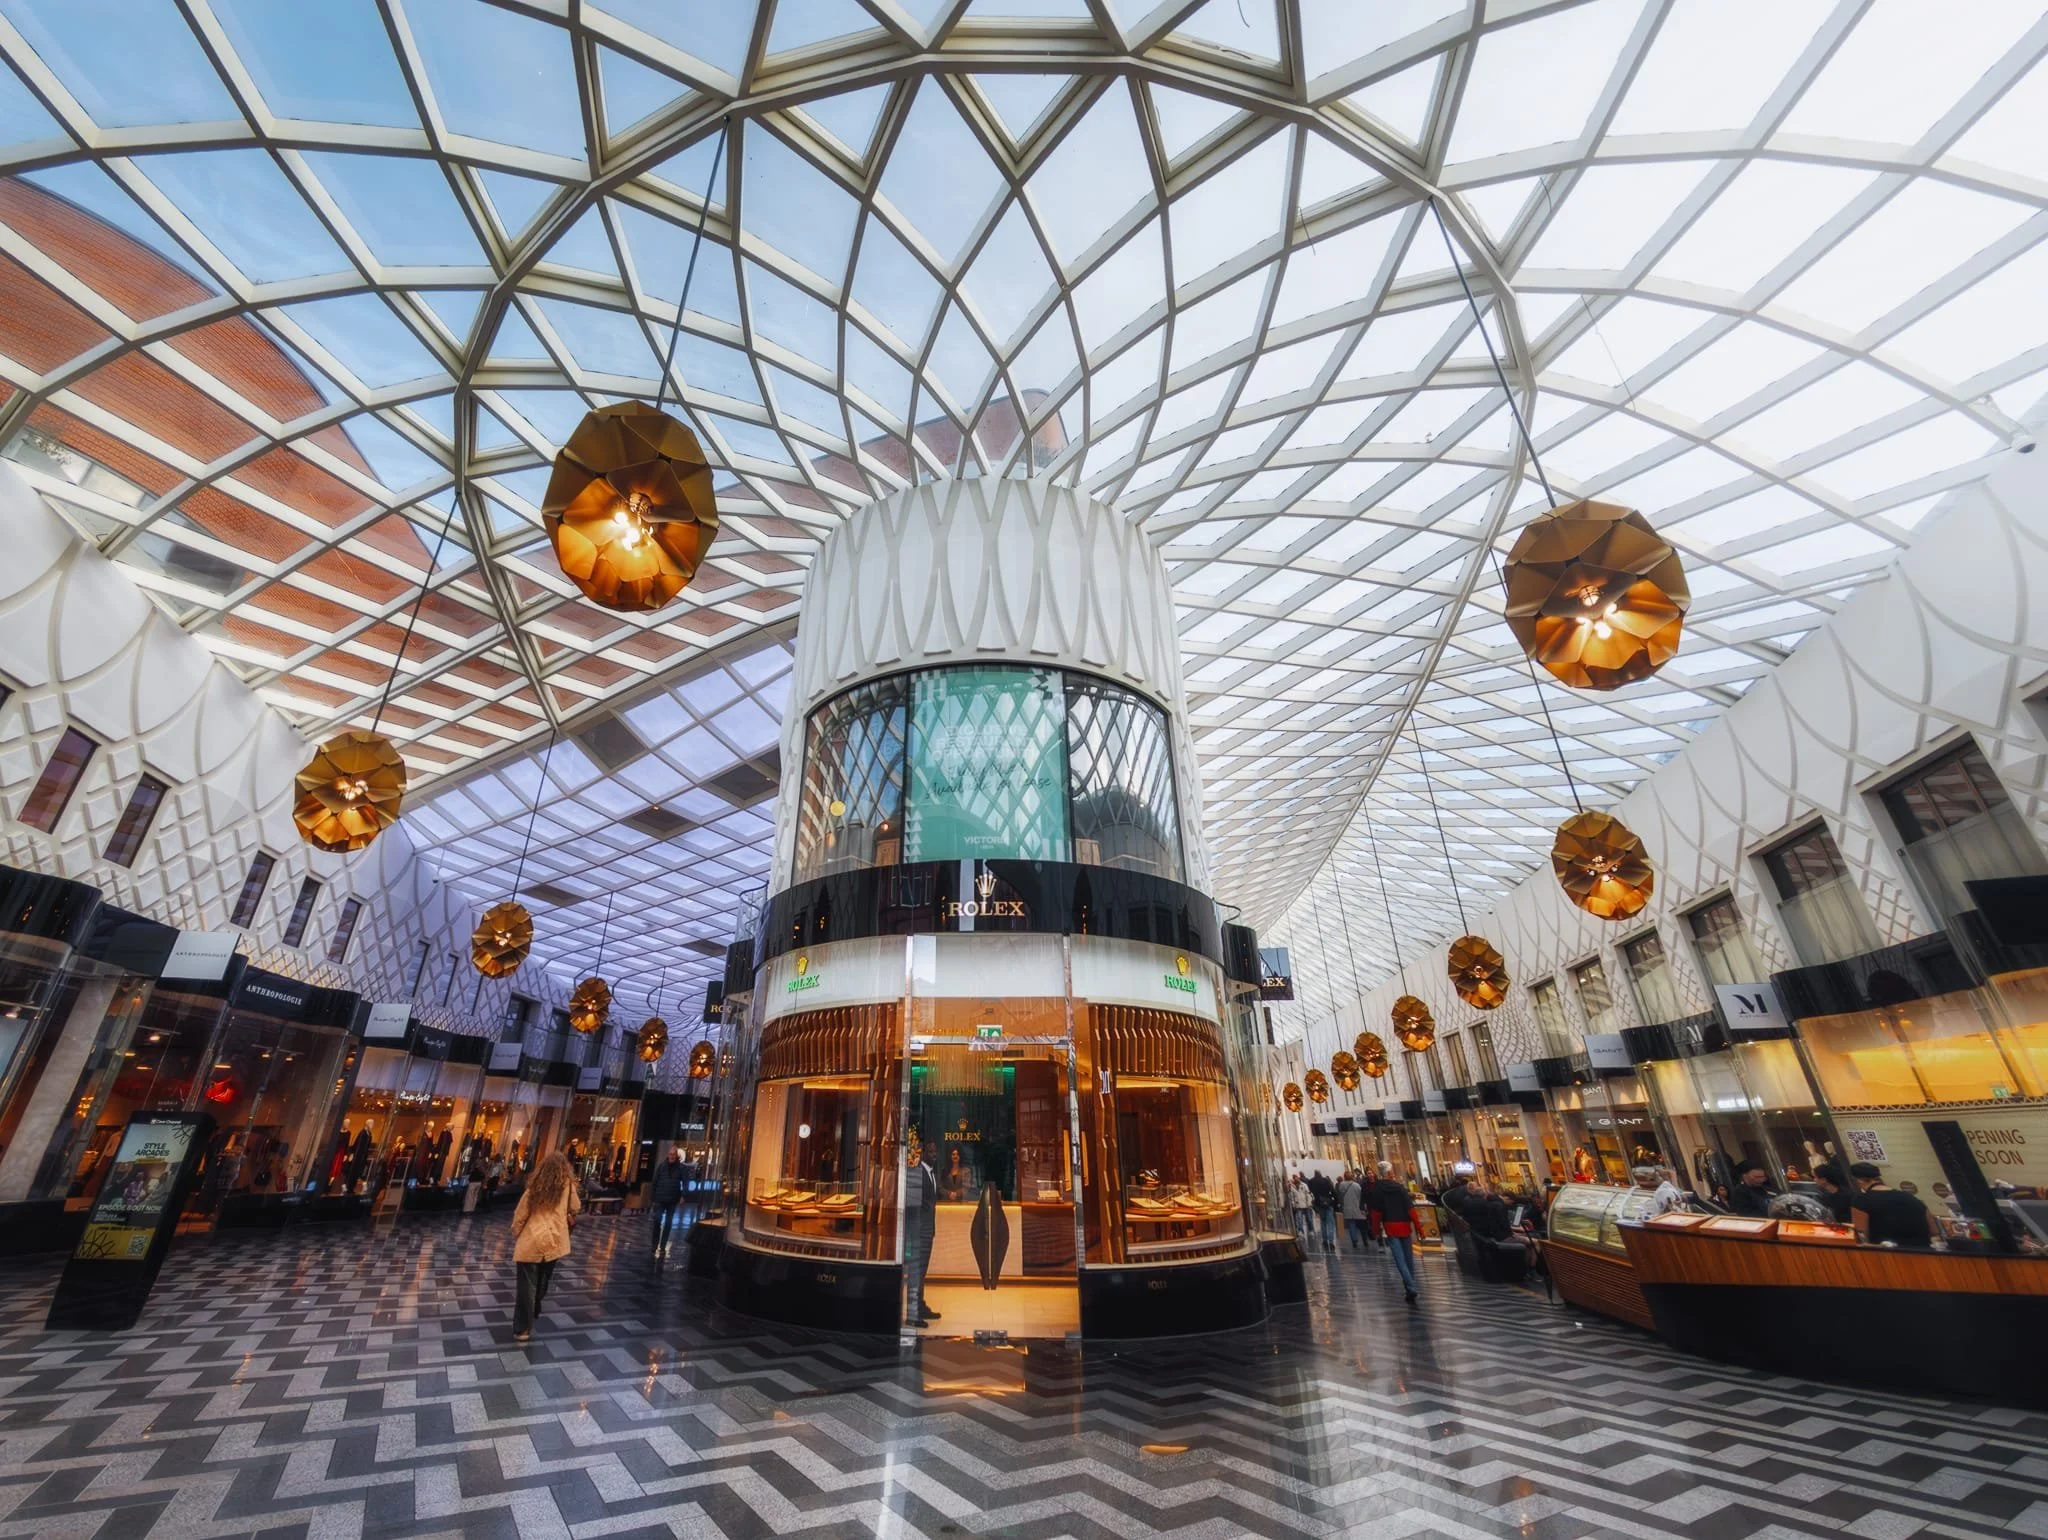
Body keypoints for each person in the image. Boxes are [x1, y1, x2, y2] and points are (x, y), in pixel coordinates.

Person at [510, 1152, 580, 1342]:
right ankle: (535, 1306)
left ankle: (522, 1329)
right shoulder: (568, 1186)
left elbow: (521, 1213)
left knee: (526, 1286)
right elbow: (576, 1206)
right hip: (553, 1240)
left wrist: (517, 1232)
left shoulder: (535, 1186)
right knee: (542, 1280)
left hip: (531, 1240)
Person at [1366, 1161, 1421, 1304]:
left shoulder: (1378, 1189)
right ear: (1390, 1173)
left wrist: (1376, 1230)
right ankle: (1410, 1286)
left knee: (1400, 1260)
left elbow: (1376, 1213)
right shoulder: (1400, 1188)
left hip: (1390, 1226)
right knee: (1408, 1259)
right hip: (1404, 1226)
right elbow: (1410, 1209)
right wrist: (1419, 1228)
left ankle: (1410, 1287)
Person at [1849, 1162, 1938, 1249]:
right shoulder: (1909, 1197)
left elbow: (1861, 1236)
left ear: (1858, 1181)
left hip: (1888, 1254)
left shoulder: (1861, 1200)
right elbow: (1934, 1231)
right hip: (1925, 1252)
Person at [904, 1141, 940, 1324]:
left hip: (928, 1231)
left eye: (935, 1152)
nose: (934, 1155)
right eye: (931, 1152)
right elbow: (912, 1206)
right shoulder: (916, 1172)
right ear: (923, 1152)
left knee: (922, 1271)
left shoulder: (931, 1173)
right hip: (918, 1232)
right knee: (916, 1272)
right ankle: (913, 1314)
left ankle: (920, 1305)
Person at [650, 1147, 686, 1259]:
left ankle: (663, 1245)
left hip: (672, 1199)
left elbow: (685, 1182)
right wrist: (653, 1198)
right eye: (670, 1154)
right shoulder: (662, 1166)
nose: (671, 1156)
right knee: (657, 1220)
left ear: (676, 1156)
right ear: (667, 1155)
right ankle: (654, 1244)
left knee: (668, 1222)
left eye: (673, 1154)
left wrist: (683, 1196)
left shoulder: (680, 1168)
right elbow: (655, 1182)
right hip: (660, 1198)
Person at [1305, 1168, 1338, 1251]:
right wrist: (1336, 1202)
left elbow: (1310, 1192)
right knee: (1330, 1223)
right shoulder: (1325, 1181)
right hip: (1328, 1203)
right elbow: (1333, 1191)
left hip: (1319, 1204)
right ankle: (1331, 1241)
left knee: (1323, 1223)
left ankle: (1325, 1240)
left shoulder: (1311, 1182)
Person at [1338, 1169, 1368, 1250]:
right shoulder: (1356, 1185)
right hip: (1357, 1206)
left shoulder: (1341, 1185)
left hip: (1347, 1207)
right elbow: (1360, 1196)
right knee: (1361, 1224)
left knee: (1351, 1224)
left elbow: (1340, 1195)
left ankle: (1354, 1241)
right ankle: (1365, 1240)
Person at [1287, 1172, 1314, 1249]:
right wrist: (1293, 1204)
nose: (1296, 1179)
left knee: (1309, 1218)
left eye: (1297, 1177)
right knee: (1299, 1219)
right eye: (1294, 1178)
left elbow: (1308, 1194)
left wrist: (1309, 1203)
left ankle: (1311, 1229)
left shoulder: (1304, 1185)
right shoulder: (1292, 1187)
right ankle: (1300, 1231)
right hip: (1298, 1205)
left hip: (1306, 1205)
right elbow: (1291, 1196)